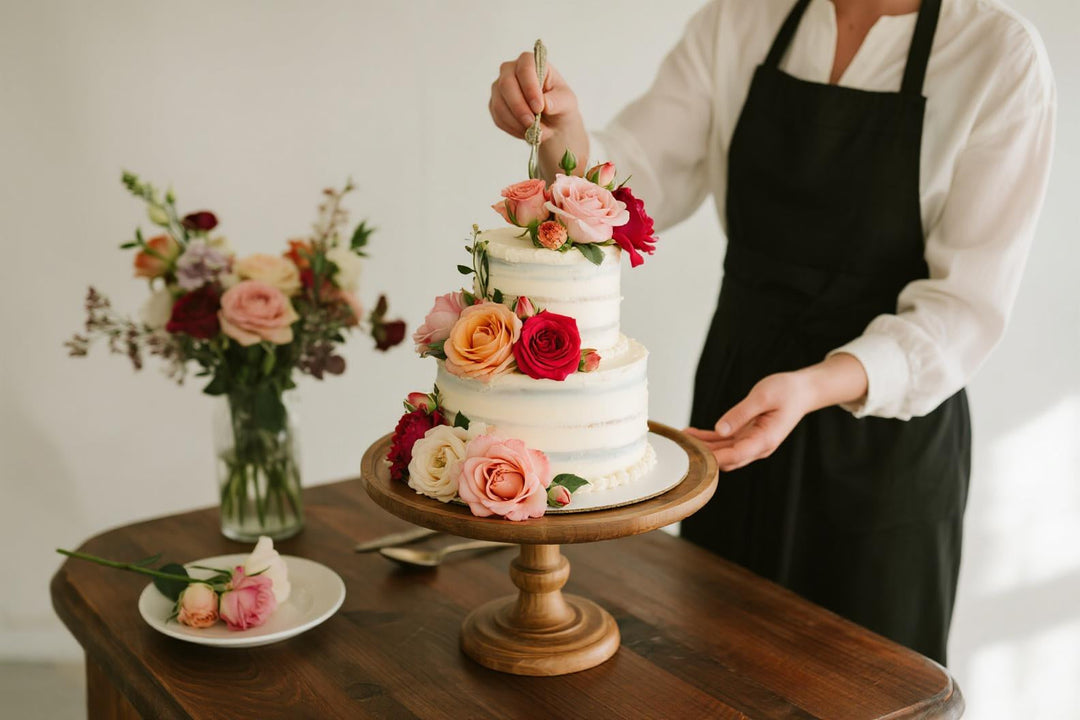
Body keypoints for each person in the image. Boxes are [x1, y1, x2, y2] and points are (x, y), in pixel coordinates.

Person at [489, 0, 1055, 664]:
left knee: (863, 688)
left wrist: (814, 385)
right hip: (736, 415)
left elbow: (964, 310)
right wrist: (562, 131)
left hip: (882, 445)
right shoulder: (741, 18)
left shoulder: (998, 54)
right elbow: (634, 178)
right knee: (714, 672)